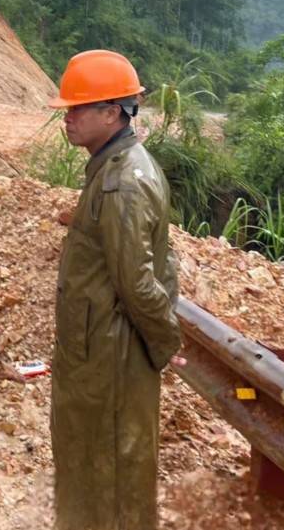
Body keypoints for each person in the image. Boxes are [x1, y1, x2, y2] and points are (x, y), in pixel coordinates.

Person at [48, 49, 183, 530]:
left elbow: (138, 280)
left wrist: (165, 341)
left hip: (111, 356)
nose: (68, 118)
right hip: (97, 350)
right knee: (89, 463)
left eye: (77, 109)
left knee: (111, 473)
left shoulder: (123, 183)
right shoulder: (111, 169)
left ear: (112, 113)